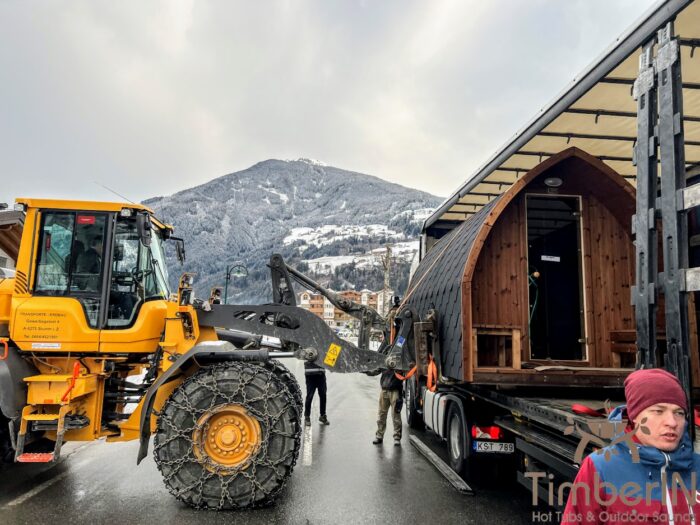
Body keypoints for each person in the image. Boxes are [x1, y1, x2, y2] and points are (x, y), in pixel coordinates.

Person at [562, 368, 700, 524]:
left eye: (679, 413)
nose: (672, 422)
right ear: (634, 416)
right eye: (658, 411)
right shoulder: (601, 467)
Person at [373, 368, 403, 446]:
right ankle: (379, 436)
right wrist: (365, 369)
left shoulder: (398, 358)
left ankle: (397, 437)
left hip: (395, 390)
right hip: (384, 390)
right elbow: (375, 371)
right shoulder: (384, 358)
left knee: (396, 415)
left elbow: (407, 369)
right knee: (381, 414)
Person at [304, 362, 329, 426]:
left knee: (323, 395)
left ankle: (322, 416)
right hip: (310, 375)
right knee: (309, 396)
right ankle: (307, 417)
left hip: (321, 375)